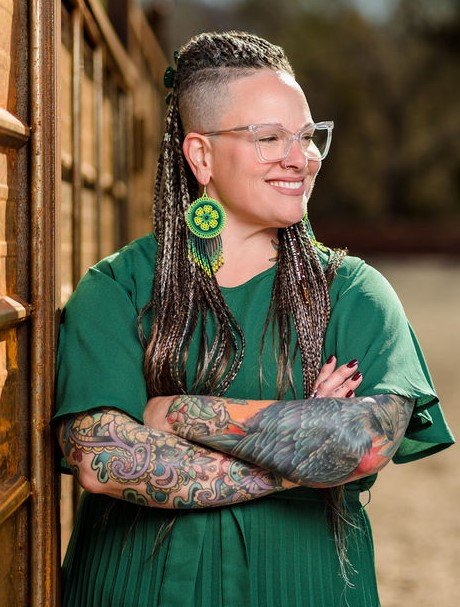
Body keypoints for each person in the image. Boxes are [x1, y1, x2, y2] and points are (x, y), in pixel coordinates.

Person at [54, 31, 454, 607]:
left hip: (302, 588)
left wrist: (173, 412)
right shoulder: (118, 287)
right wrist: (303, 452)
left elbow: (363, 443)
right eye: (269, 138)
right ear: (201, 156)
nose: (301, 157)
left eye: (308, 136)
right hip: (139, 589)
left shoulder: (352, 292)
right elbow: (104, 460)